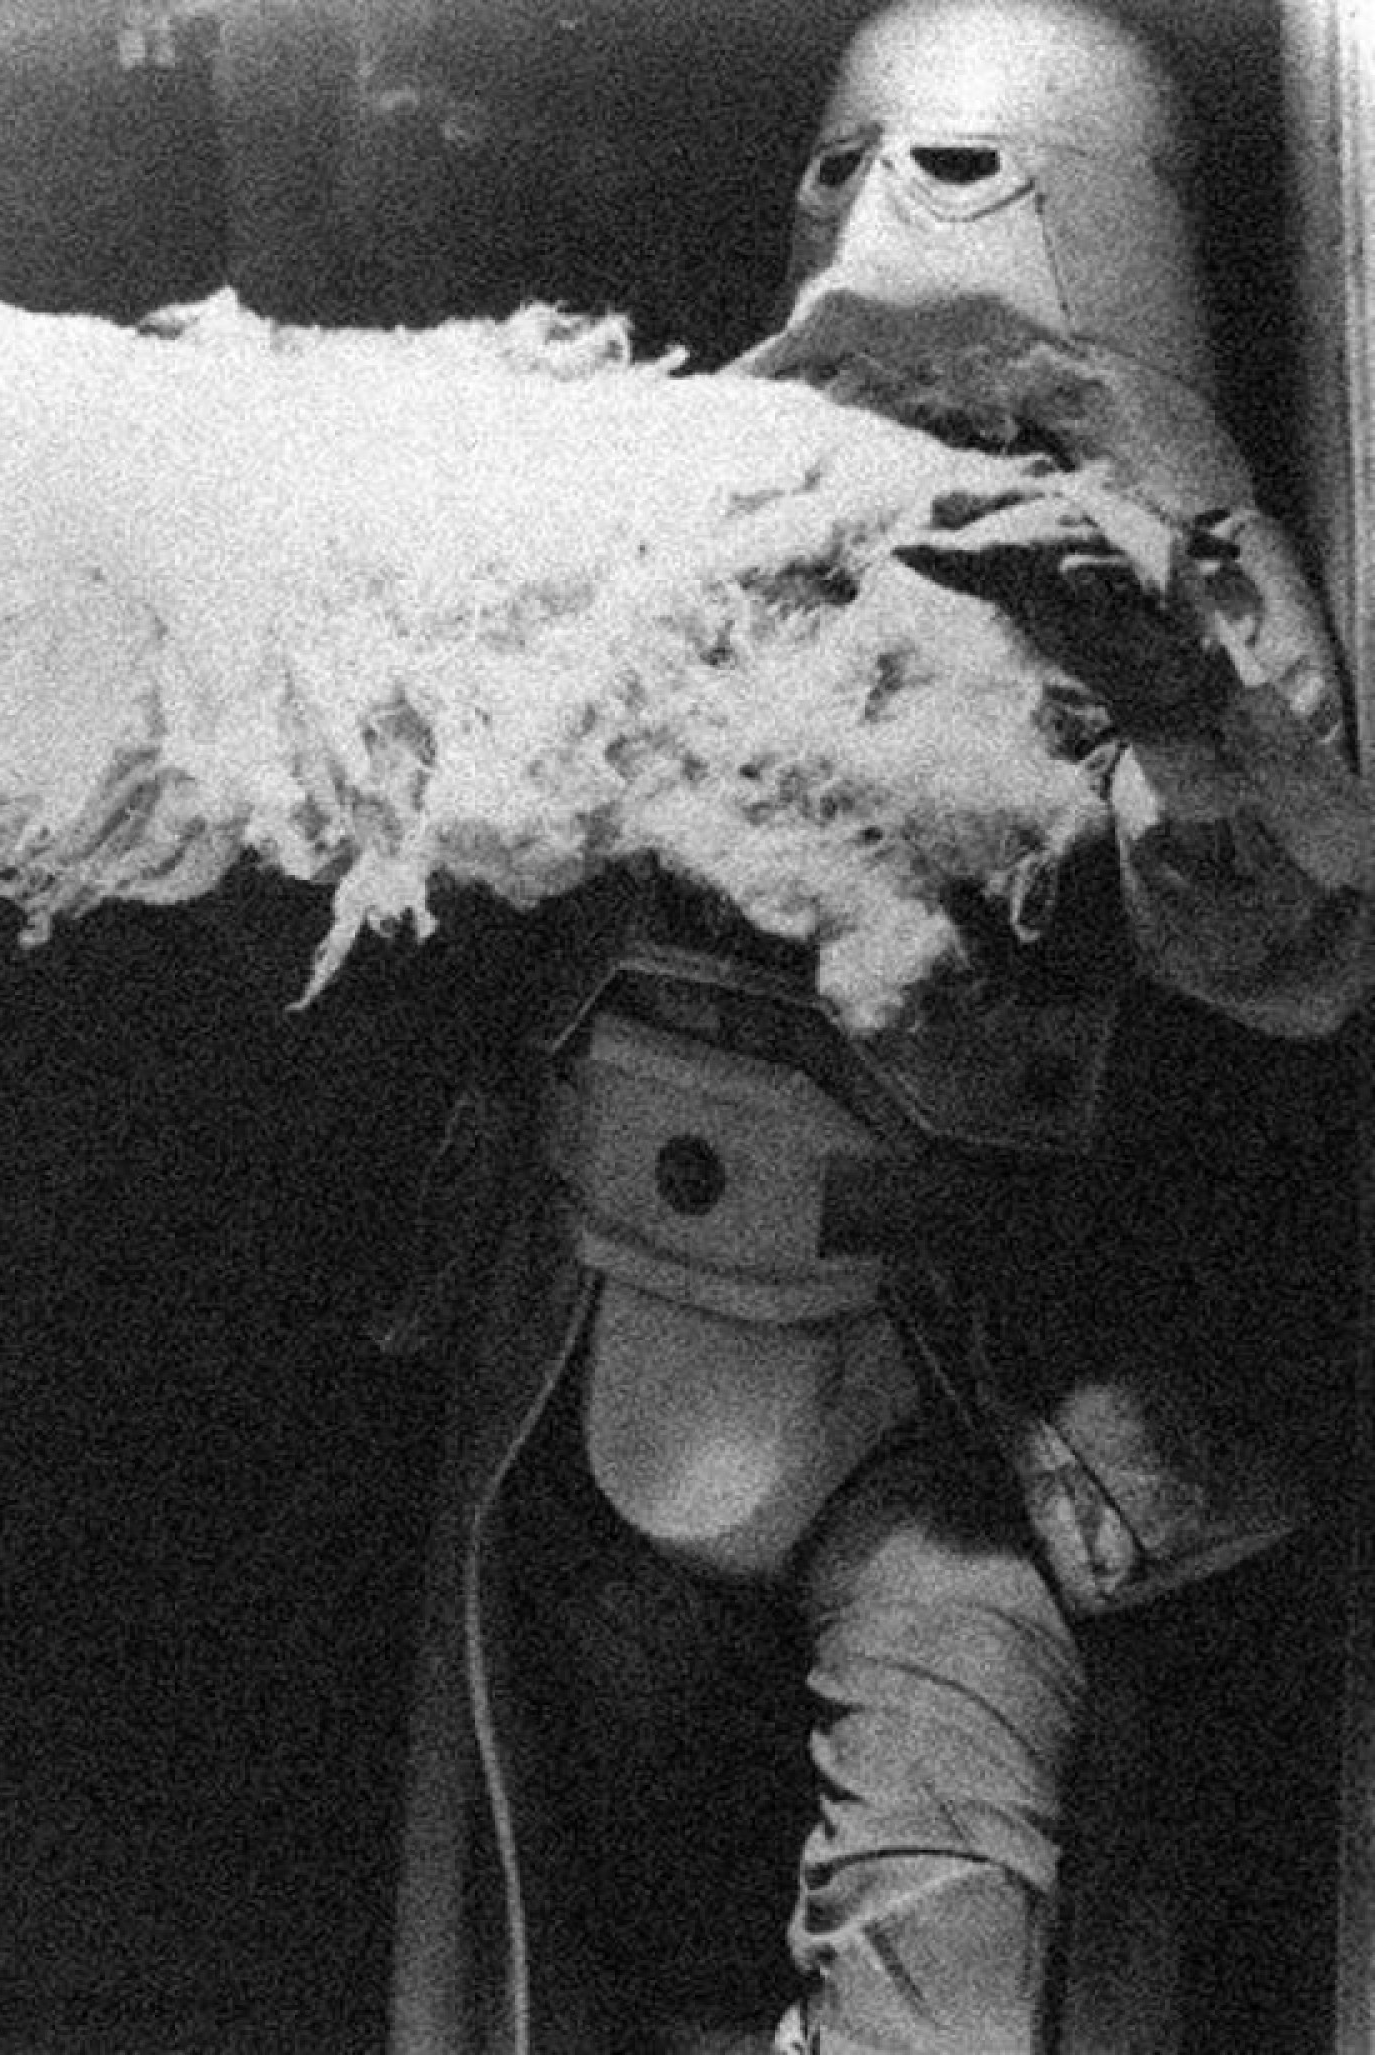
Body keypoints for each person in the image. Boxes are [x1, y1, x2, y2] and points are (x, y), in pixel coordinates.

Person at [383, 6, 1375, 2051]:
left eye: (961, 178)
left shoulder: (1163, 577)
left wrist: (1182, 709)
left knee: (935, 1972)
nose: (901, 233)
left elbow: (1279, 936)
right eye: (864, 176)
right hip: (606, 1359)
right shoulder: (703, 505)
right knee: (610, 1959)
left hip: (942, 1413)